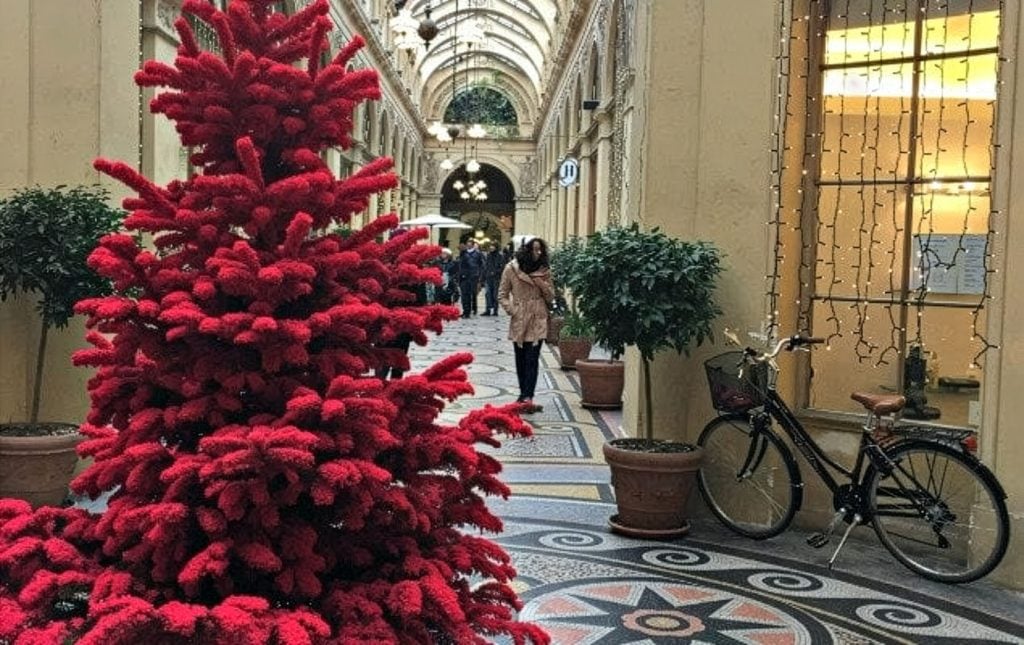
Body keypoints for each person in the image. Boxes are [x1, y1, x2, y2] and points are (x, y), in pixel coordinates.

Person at [498, 236, 554, 413]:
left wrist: (542, 284)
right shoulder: (511, 269)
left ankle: (528, 395)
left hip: (538, 317)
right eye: (534, 249)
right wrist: (513, 310)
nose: (537, 253)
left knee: (532, 358)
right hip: (520, 318)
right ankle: (523, 394)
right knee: (520, 359)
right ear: (526, 250)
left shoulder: (545, 271)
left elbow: (552, 297)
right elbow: (502, 294)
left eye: (540, 250)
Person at [457, 239, 483, 317]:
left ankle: (470, 310)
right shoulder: (463, 253)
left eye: (470, 243)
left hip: (472, 276)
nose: (468, 245)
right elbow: (460, 264)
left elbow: (480, 265)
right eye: (467, 243)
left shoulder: (477, 254)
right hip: (463, 276)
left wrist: (478, 275)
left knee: (470, 294)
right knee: (464, 295)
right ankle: (466, 311)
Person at [481, 242, 505, 316]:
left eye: (493, 246)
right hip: (488, 278)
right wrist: (483, 276)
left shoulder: (500, 256)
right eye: (491, 246)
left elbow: (502, 267)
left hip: (496, 278)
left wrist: (494, 272)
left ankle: (495, 310)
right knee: (487, 294)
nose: (491, 247)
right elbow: (486, 266)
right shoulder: (488, 255)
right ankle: (487, 310)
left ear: (496, 247)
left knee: (495, 294)